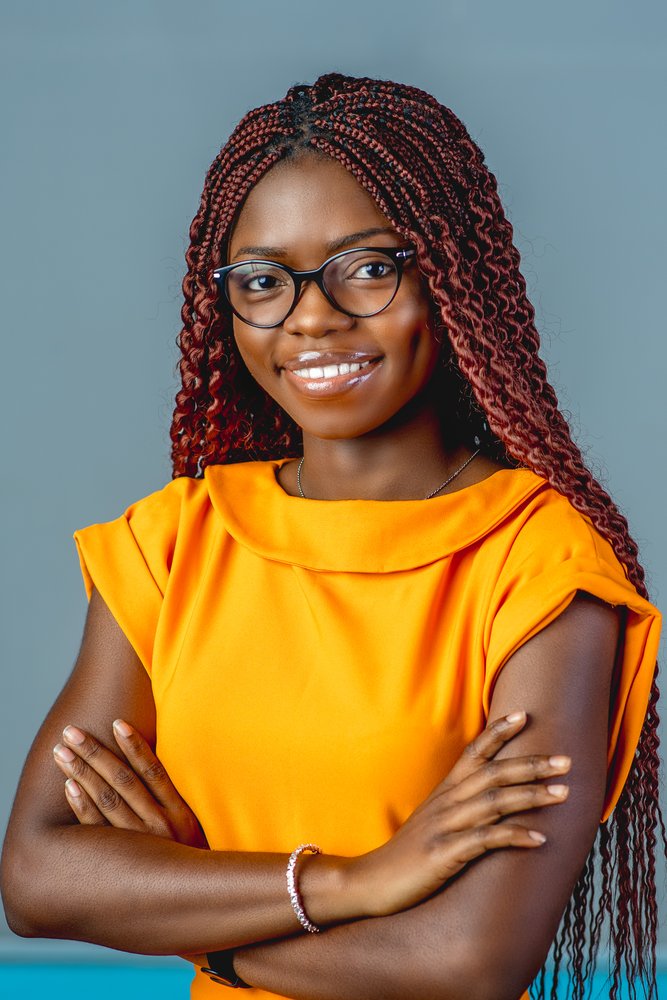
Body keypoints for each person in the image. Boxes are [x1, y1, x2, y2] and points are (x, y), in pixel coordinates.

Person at [0, 73, 663, 1000]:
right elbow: (35, 878)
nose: (312, 316)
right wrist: (353, 881)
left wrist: (198, 919)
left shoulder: (539, 567)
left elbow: (467, 963)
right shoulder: (175, 542)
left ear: (448, 274)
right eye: (264, 281)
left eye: (366, 267)